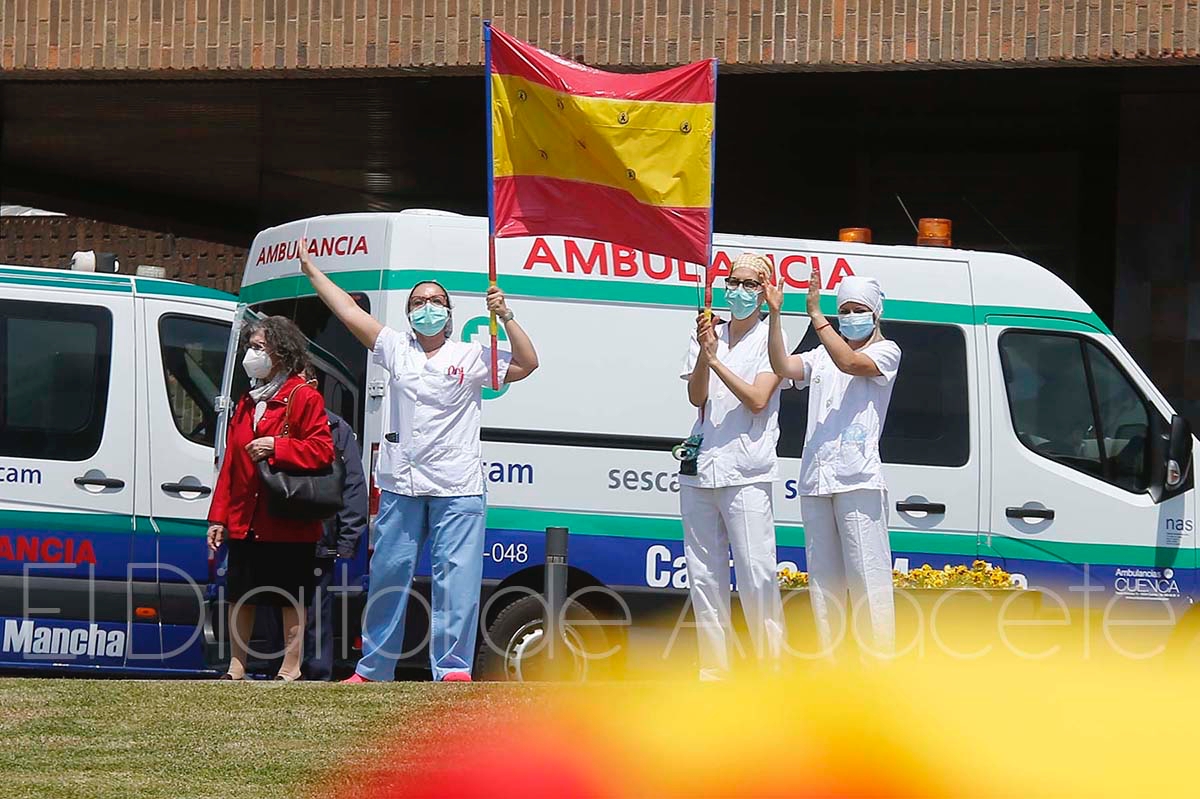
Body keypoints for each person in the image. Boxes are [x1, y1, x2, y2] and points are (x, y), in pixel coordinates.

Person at [298, 240, 539, 682]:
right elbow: (351, 314)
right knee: (388, 577)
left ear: (449, 312)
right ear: (408, 313)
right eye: (418, 302)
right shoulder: (395, 347)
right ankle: (373, 669)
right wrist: (313, 274)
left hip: (458, 487)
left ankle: (452, 668)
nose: (427, 307)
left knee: (456, 583)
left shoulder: (472, 354)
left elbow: (528, 362)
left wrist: (505, 316)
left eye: (436, 301)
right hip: (402, 485)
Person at [764, 265, 902, 658]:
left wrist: (817, 317)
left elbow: (851, 364)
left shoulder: (886, 351)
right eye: (845, 309)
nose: (850, 317)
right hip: (816, 479)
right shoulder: (821, 356)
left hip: (857, 479)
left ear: (876, 314)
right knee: (823, 582)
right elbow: (782, 366)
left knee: (867, 578)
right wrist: (776, 315)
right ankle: (831, 667)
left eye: (859, 309)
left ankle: (878, 668)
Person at [207, 316, 335, 681]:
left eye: (259, 347)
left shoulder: (303, 396)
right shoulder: (247, 402)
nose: (252, 353)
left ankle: (290, 667)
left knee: (288, 596)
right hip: (245, 519)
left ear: (280, 352)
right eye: (251, 346)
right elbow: (231, 463)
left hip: (286, 517)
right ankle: (236, 665)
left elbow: (321, 450)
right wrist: (218, 518)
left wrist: (277, 446)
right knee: (240, 593)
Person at [680, 252, 788, 680]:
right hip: (703, 464)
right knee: (703, 574)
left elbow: (759, 399)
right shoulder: (710, 334)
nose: (739, 291)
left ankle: (770, 669)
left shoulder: (771, 338)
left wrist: (717, 359)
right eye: (733, 281)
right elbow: (695, 397)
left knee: (756, 573)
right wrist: (707, 352)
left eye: (750, 284)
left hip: (748, 471)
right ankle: (714, 668)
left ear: (764, 291)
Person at [262, 369, 369, 681]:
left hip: (319, 536)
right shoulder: (270, 420)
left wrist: (348, 537)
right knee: (276, 600)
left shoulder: (336, 428)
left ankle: (316, 673)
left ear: (312, 386)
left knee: (316, 609)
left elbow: (353, 486)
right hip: (276, 532)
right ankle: (277, 668)